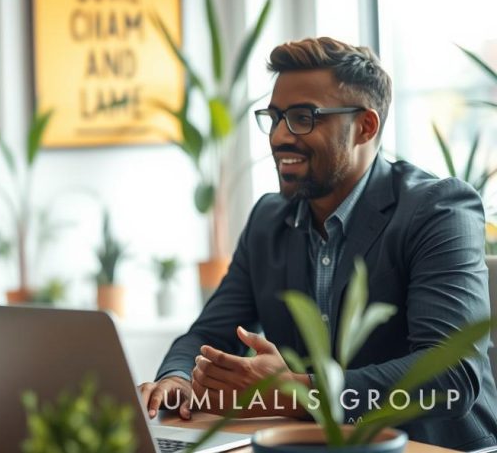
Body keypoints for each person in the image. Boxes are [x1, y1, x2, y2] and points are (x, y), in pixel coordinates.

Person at [138, 37, 497, 450]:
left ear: (365, 126)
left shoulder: (438, 210)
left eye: (302, 117)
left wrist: (299, 392)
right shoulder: (268, 220)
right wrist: (178, 379)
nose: (278, 136)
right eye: (273, 117)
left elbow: (449, 376)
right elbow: (209, 333)